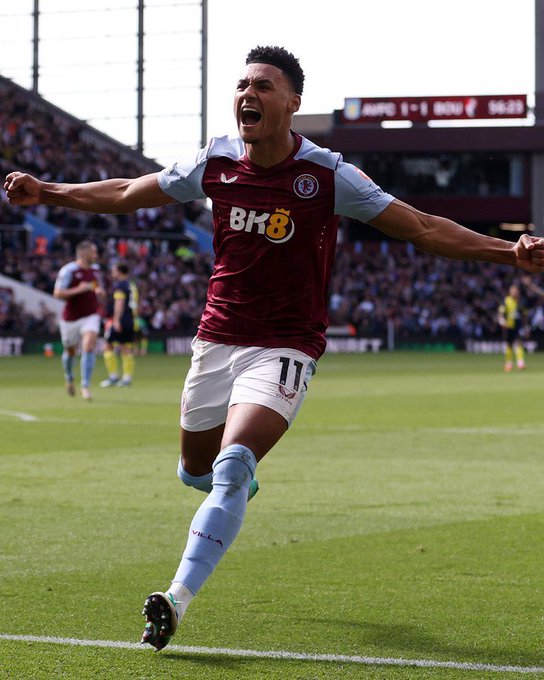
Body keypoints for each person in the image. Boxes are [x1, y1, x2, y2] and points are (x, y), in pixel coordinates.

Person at [5, 45, 544, 651]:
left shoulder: (327, 175)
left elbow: (420, 227)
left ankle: (175, 601)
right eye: (243, 84)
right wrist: (46, 190)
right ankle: (232, 484)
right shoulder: (216, 161)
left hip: (284, 346)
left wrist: (508, 252)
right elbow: (131, 190)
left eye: (263, 85)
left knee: (232, 469)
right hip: (215, 342)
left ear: (293, 103)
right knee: (195, 472)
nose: (248, 93)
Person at [52, 240, 104, 400]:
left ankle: (85, 385)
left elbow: (97, 287)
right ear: (83, 253)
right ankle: (69, 378)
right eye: (93, 252)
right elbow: (57, 293)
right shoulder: (69, 270)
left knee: (89, 345)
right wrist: (79, 289)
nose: (96, 255)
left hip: (91, 315)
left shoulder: (96, 270)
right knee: (70, 351)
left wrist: (99, 291)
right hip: (71, 318)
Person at [100, 261, 138, 388]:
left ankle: (113, 377)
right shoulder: (131, 285)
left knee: (107, 346)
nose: (112, 272)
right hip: (130, 319)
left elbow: (119, 303)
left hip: (120, 319)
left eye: (114, 270)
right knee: (126, 348)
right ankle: (127, 378)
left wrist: (116, 320)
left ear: (119, 271)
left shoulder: (120, 285)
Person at [498, 284, 526, 372]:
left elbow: (524, 314)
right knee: (509, 345)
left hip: (518, 326)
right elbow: (501, 313)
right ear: (510, 292)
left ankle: (520, 363)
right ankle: (509, 363)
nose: (515, 293)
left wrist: (526, 326)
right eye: (513, 291)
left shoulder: (520, 302)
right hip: (508, 326)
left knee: (519, 343)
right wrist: (502, 322)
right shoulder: (506, 301)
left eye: (516, 291)